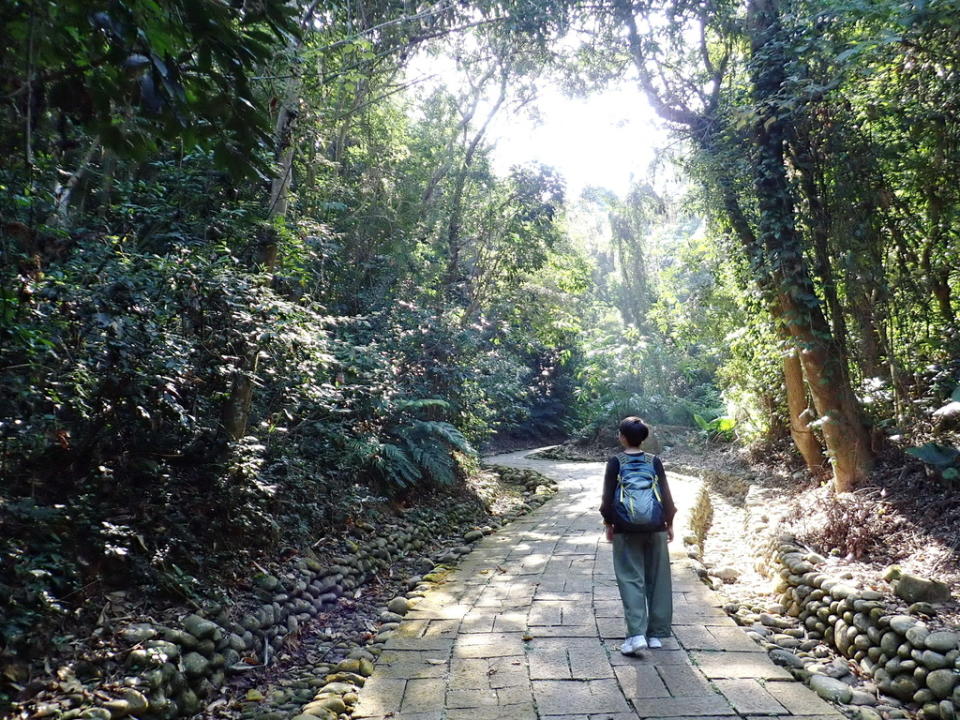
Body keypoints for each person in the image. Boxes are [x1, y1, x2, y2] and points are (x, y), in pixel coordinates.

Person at [599, 416, 676, 656]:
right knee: (658, 579)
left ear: (622, 437)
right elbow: (666, 494)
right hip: (656, 526)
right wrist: (670, 522)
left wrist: (608, 523)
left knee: (631, 579)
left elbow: (607, 498)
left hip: (626, 528)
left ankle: (636, 635)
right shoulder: (654, 461)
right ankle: (656, 635)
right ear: (643, 438)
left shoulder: (615, 462)